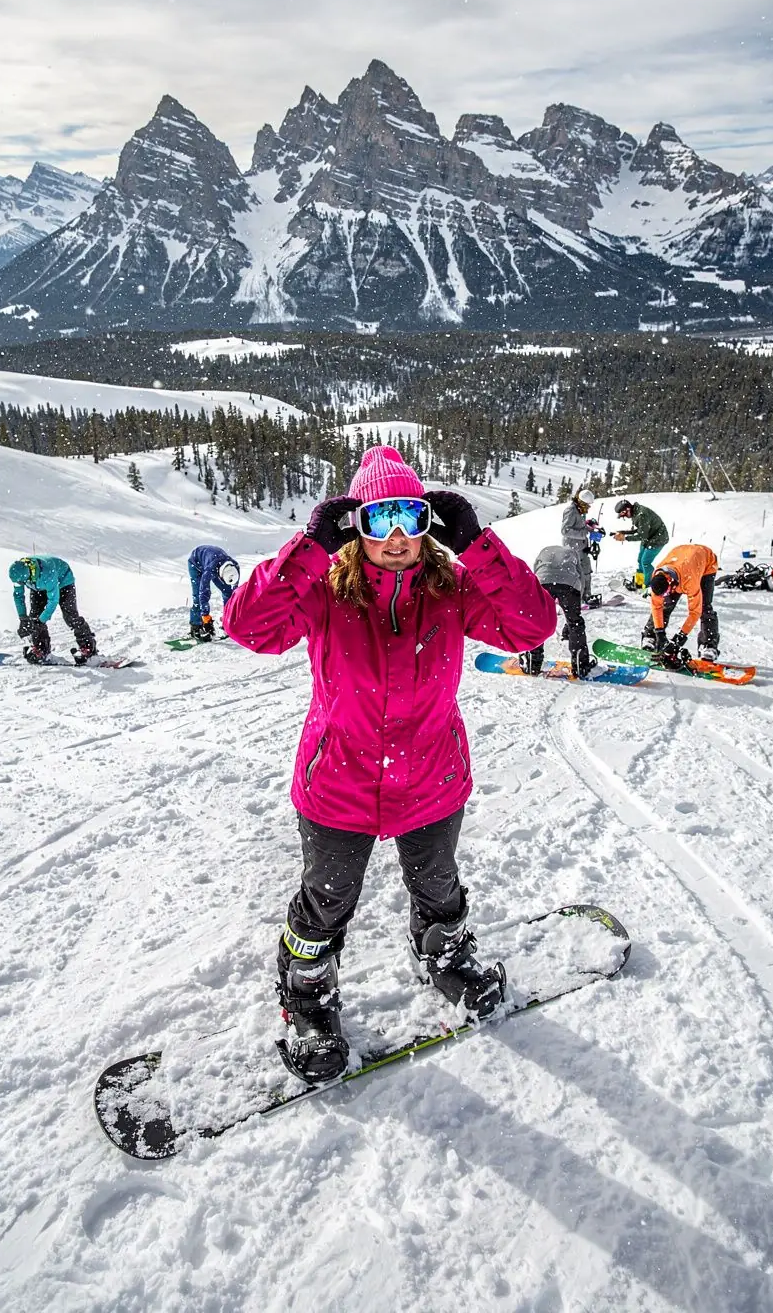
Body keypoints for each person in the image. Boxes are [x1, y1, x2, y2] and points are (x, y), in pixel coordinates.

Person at [224, 445, 556, 1084]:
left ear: (430, 523)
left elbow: (530, 628)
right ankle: (308, 993)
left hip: (432, 777)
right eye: (381, 519)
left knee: (439, 886)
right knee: (326, 899)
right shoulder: (324, 590)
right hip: (339, 783)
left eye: (411, 516)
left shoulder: (451, 590)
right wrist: (308, 549)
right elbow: (249, 628)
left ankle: (445, 954)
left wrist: (479, 546)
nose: (398, 535)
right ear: (356, 526)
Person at [520, 545, 597, 679]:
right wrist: (575, 608)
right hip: (569, 584)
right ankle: (580, 664)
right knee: (575, 623)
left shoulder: (544, 551)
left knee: (536, 622)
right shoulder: (572, 553)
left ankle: (533, 661)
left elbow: (535, 572)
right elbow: (581, 578)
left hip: (543, 582)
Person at [9, 555, 97, 665]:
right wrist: (23, 617)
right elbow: (18, 596)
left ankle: (88, 647)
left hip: (63, 582)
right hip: (38, 586)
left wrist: (41, 621)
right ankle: (41, 649)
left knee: (71, 617)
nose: (19, 585)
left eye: (21, 583)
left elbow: (53, 600)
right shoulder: (20, 573)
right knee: (34, 617)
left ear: (28, 576)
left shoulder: (46, 573)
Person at [642, 544, 720, 661]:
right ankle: (650, 636)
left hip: (705, 564)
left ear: (670, 582)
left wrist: (681, 636)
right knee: (665, 605)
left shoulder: (690, 580)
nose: (664, 596)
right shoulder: (658, 577)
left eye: (666, 592)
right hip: (680, 555)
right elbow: (657, 607)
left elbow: (695, 612)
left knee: (704, 607)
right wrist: (659, 632)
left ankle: (708, 645)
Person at [613, 499, 668, 591]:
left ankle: (648, 585)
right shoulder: (636, 513)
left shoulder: (642, 515)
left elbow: (642, 535)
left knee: (645, 562)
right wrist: (623, 532)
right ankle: (639, 582)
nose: (625, 517)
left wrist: (625, 538)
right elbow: (641, 530)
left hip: (658, 539)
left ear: (627, 509)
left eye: (624, 514)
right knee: (640, 560)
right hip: (649, 537)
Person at [188, 545, 240, 640]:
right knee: (198, 597)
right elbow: (203, 593)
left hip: (216, 564)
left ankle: (227, 623)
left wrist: (230, 614)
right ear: (221, 576)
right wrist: (205, 616)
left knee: (229, 593)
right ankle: (196, 626)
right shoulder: (210, 570)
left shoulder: (235, 567)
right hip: (195, 563)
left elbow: (234, 592)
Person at [561, 487, 597, 604]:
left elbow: (580, 525)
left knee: (587, 571)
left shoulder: (580, 510)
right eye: (587, 505)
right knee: (579, 574)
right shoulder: (571, 511)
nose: (588, 507)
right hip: (573, 548)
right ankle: (578, 598)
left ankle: (587, 596)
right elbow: (565, 530)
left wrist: (591, 529)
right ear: (581, 502)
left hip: (581, 547)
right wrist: (584, 533)